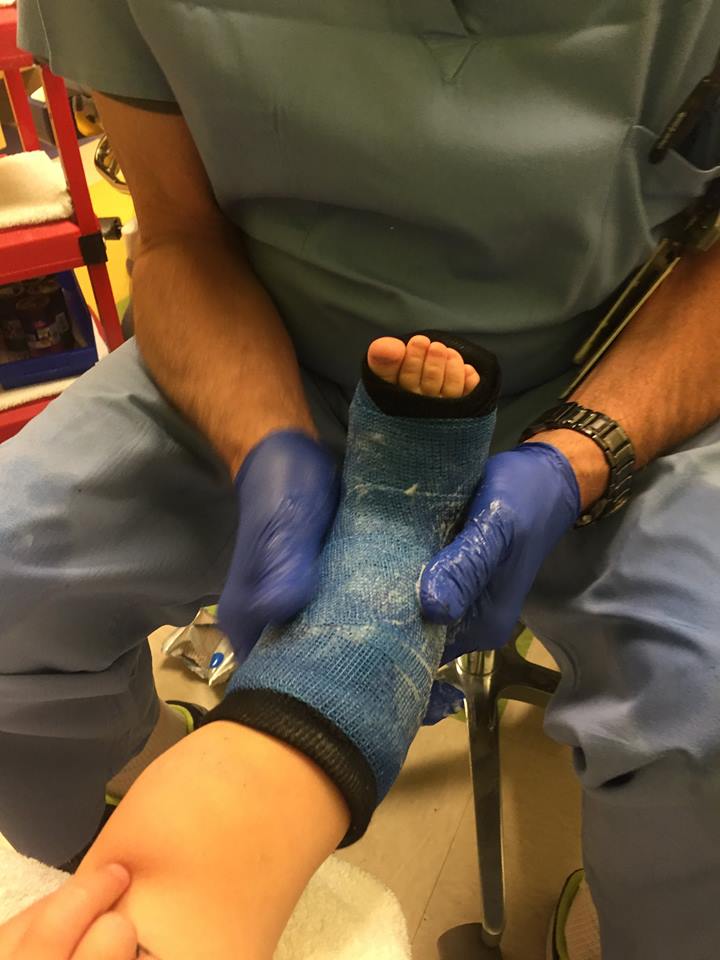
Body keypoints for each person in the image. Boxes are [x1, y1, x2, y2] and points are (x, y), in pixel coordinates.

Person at [2, 1, 720, 957]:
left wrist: (579, 454)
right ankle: (129, 813)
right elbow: (175, 237)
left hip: (614, 362)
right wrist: (265, 444)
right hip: (265, 346)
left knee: (705, 712)